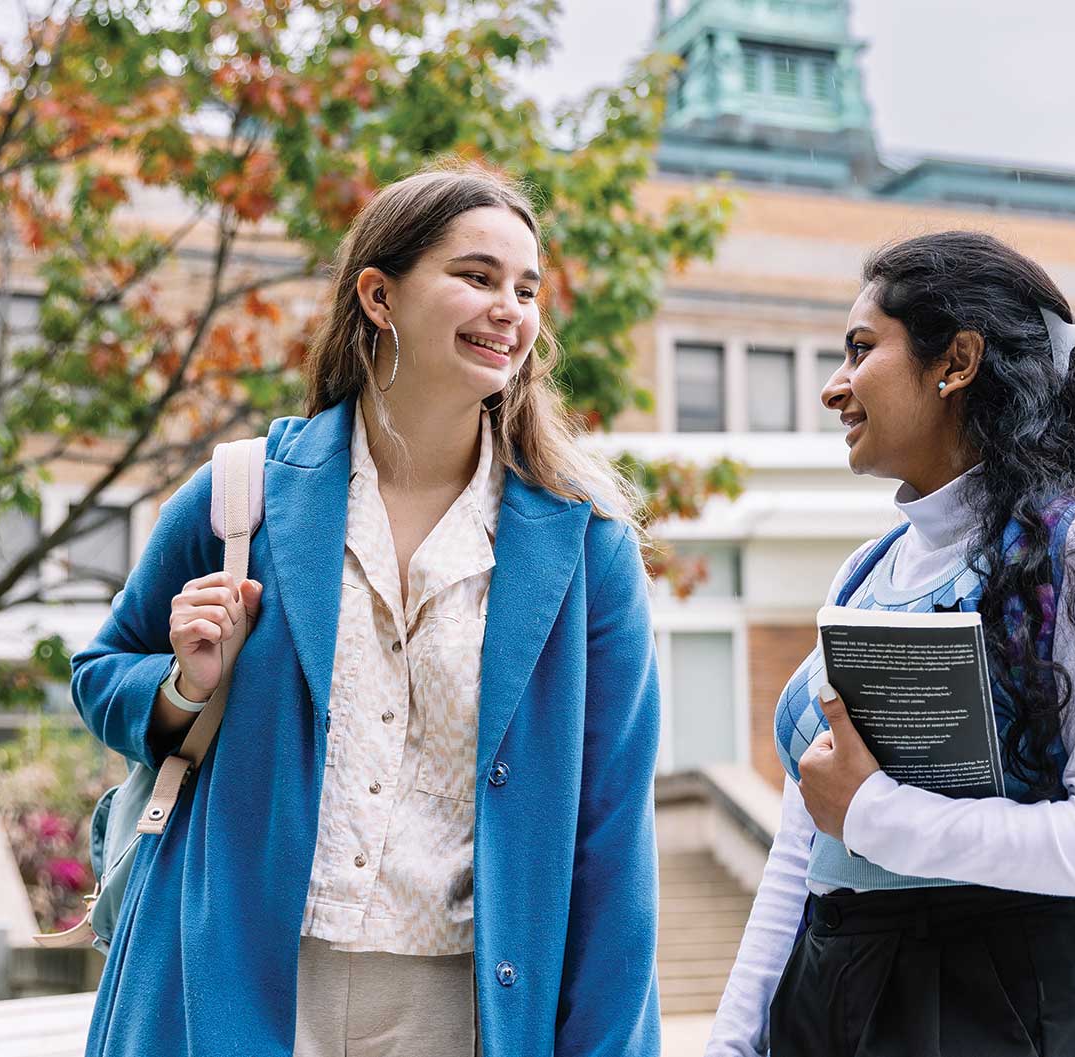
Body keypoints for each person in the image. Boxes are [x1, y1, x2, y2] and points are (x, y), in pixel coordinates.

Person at [73, 165, 663, 1057]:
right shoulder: (243, 495)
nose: (509, 307)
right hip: (239, 983)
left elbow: (611, 835)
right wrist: (184, 686)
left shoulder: (588, 550)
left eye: (526, 289)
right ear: (379, 296)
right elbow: (102, 670)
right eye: (476, 276)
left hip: (465, 1008)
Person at [705, 230, 1075, 1057]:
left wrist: (877, 814)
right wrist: (735, 1037)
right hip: (827, 998)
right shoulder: (864, 572)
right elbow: (805, 844)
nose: (835, 388)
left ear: (957, 361)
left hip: (999, 1009)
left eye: (861, 350)